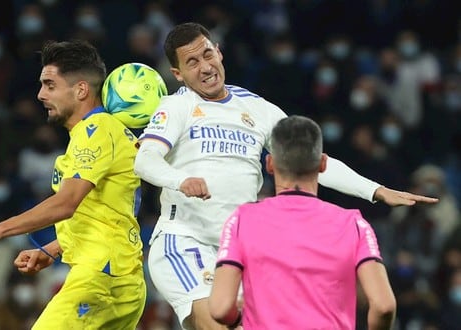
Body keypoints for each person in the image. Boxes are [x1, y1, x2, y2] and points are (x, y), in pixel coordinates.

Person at [133, 22, 436, 329]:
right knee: (216, 321)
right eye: (192, 63)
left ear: (219, 53)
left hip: (236, 253)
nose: (205, 67)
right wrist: (180, 181)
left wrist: (376, 190)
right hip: (185, 240)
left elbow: (309, 159)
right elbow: (145, 160)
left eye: (208, 55)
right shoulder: (176, 106)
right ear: (178, 74)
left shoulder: (258, 109)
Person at [0, 39, 146, 329]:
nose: (40, 94)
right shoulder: (96, 134)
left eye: (50, 85)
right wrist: (52, 248)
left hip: (102, 279)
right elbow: (104, 213)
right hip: (117, 279)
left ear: (80, 90)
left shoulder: (97, 130)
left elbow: (66, 204)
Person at [208, 115, 396, 329]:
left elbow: (220, 307)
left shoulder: (242, 220)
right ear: (323, 164)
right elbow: (384, 305)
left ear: (269, 164)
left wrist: (238, 318)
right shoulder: (354, 224)